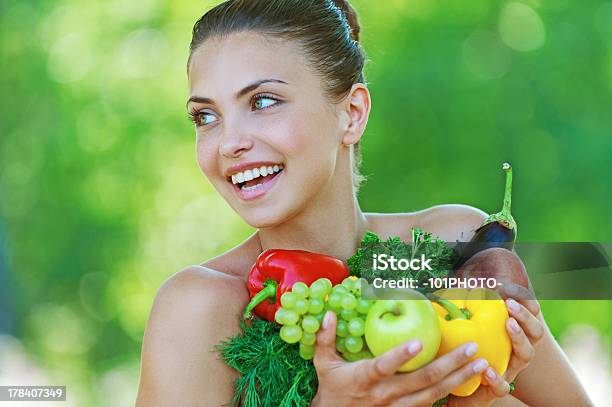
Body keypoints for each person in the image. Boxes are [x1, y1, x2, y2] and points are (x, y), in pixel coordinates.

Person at [136, 1, 592, 405]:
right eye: (206, 116)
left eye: (263, 101)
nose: (229, 143)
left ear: (351, 114)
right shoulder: (197, 308)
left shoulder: (455, 245)